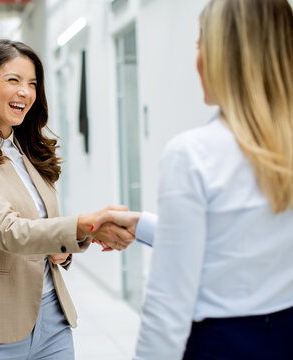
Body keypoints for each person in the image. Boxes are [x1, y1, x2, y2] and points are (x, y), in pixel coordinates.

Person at [92, 0, 293, 359]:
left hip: (222, 345)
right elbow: (239, 239)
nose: (197, 59)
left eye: (201, 45)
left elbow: (168, 305)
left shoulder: (194, 154)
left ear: (223, 56)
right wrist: (141, 225)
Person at [0, 39, 133, 360]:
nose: (25, 92)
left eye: (32, 84)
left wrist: (62, 252)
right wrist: (85, 225)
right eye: (13, 80)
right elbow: (7, 231)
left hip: (51, 319)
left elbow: (44, 228)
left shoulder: (28, 152)